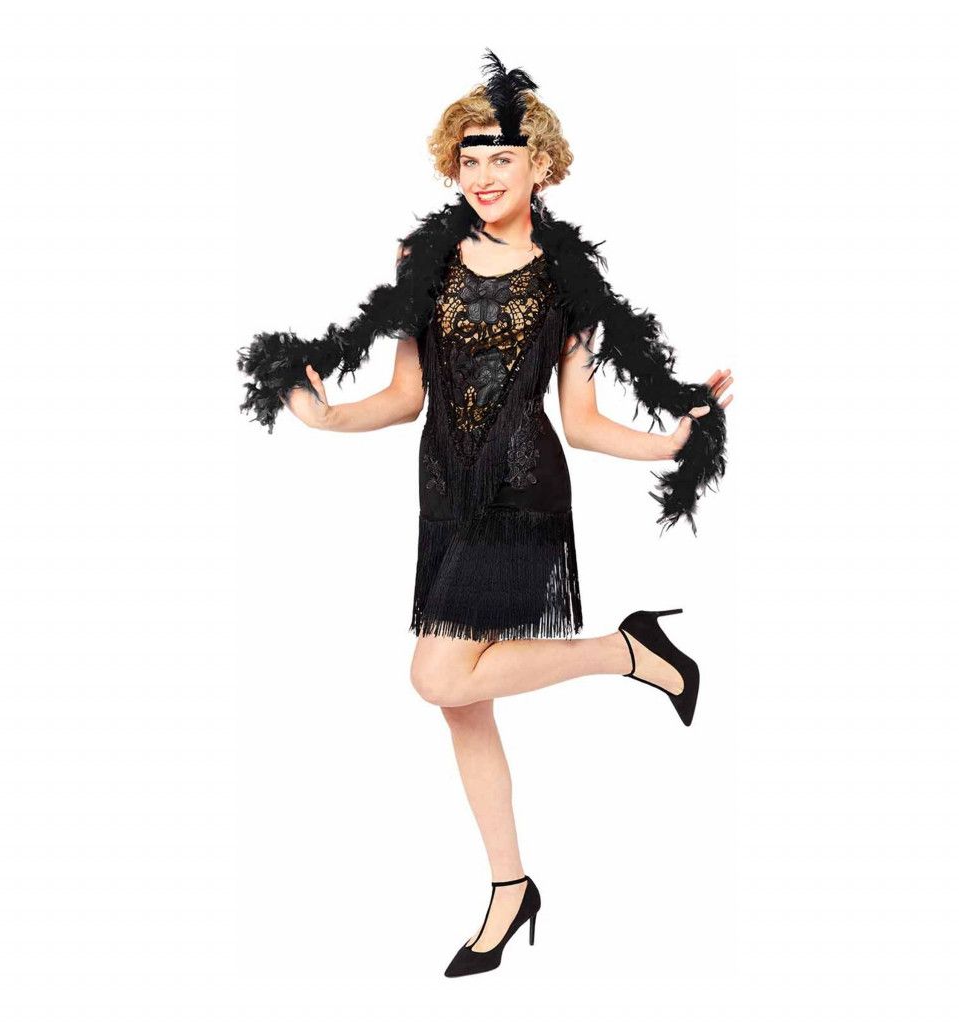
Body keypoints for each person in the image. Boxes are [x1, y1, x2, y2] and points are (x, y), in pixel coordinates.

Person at [237, 49, 734, 977]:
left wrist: (669, 443)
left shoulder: (569, 280)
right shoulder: (424, 260)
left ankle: (627, 653)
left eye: (502, 157)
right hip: (443, 498)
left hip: (523, 494)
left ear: (541, 164)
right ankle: (511, 888)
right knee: (463, 705)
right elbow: (405, 396)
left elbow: (581, 422)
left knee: (437, 675)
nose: (484, 175)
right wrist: (327, 416)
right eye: (469, 159)